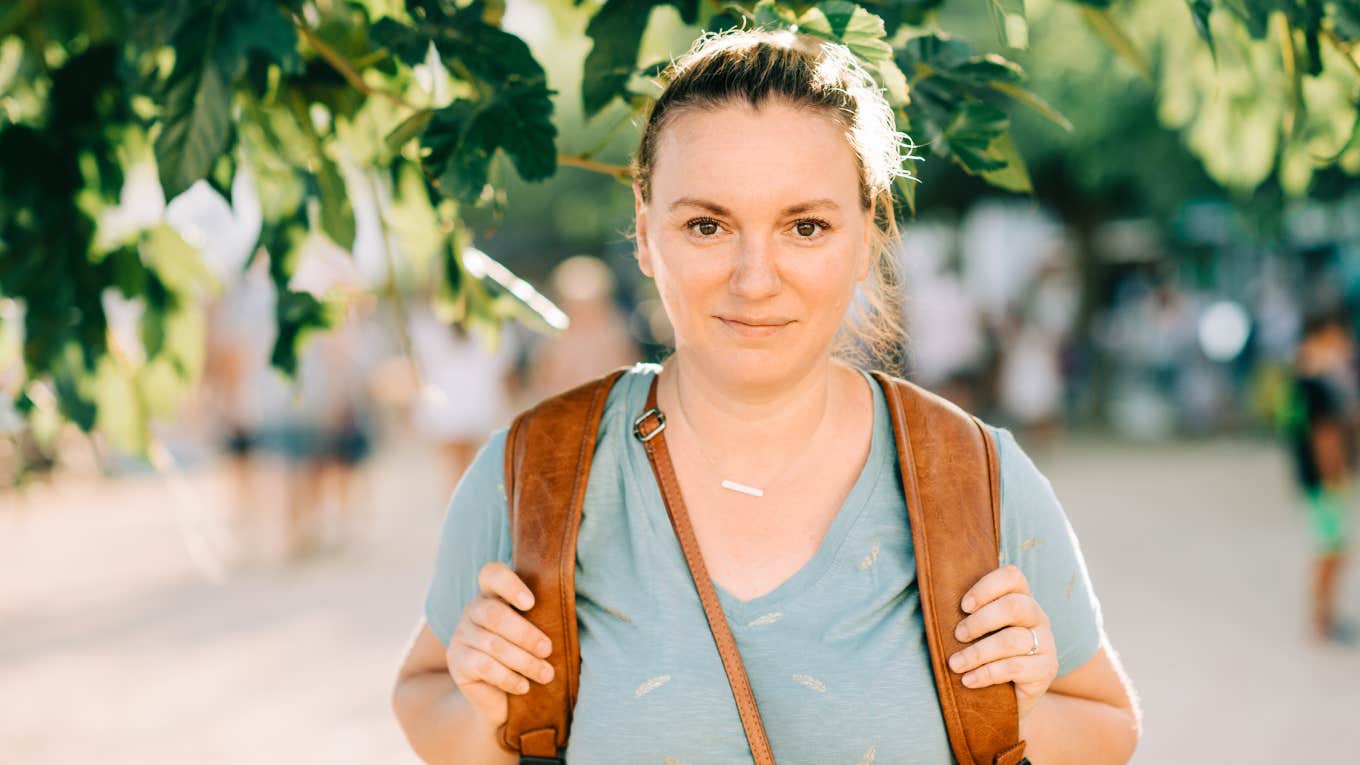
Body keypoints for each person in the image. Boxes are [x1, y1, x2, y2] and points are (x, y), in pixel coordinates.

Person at [392, 28, 1141, 763]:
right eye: (707, 225)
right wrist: (485, 714)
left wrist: (1021, 709)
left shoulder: (973, 477)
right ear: (646, 234)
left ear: (867, 239)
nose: (755, 278)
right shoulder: (534, 473)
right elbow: (425, 697)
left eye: (806, 226)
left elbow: (1108, 724)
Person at [1285, 309, 1357, 644]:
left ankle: (1323, 617)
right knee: (1332, 548)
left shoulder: (1301, 379)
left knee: (1332, 547)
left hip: (1311, 477)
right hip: (1324, 479)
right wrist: (1336, 475)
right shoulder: (1318, 382)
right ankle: (1322, 620)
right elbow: (1324, 435)